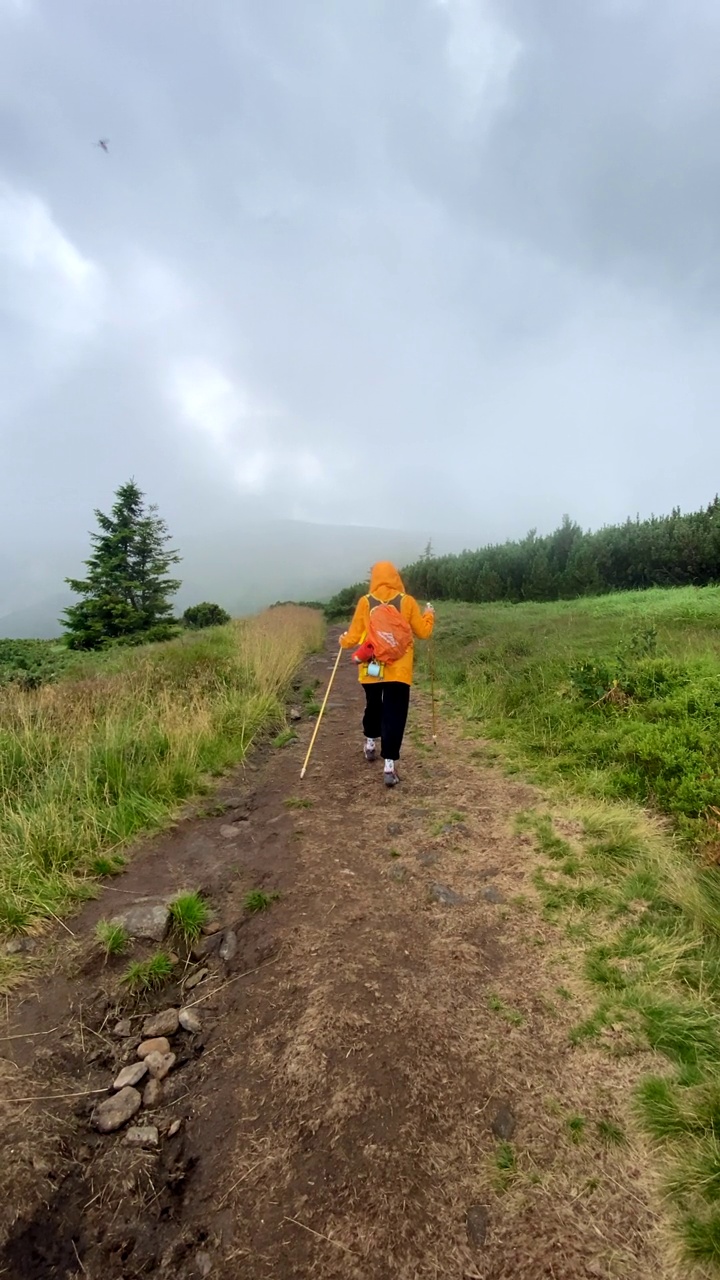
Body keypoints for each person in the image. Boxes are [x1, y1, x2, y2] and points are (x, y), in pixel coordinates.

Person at [339, 561, 435, 786]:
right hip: (398, 669)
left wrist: (343, 640)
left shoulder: (365, 602)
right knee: (394, 714)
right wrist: (429, 614)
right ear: (395, 578)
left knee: (373, 704)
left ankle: (370, 743)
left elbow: (353, 636)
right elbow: (423, 632)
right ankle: (389, 766)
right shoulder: (407, 601)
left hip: (371, 665)